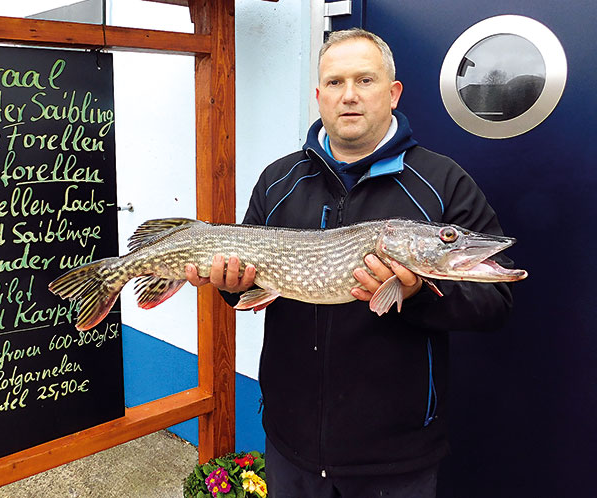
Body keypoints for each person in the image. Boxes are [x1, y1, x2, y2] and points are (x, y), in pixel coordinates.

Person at [184, 28, 515, 498]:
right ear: (319, 96)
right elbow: (245, 279)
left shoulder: (443, 182)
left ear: (394, 92)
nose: (350, 96)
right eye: (336, 83)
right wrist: (229, 286)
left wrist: (417, 295)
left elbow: (497, 303)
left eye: (365, 80)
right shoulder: (278, 180)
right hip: (290, 441)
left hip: (395, 456)